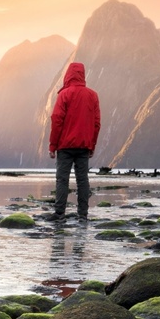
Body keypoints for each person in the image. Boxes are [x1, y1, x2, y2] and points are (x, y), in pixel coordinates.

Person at [48, 62, 101, 220]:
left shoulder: (64, 95)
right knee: (83, 179)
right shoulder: (92, 95)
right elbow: (96, 123)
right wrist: (92, 145)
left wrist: (53, 145)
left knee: (62, 179)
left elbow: (57, 120)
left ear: (68, 75)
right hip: (84, 145)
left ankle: (59, 213)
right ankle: (83, 214)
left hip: (65, 146)